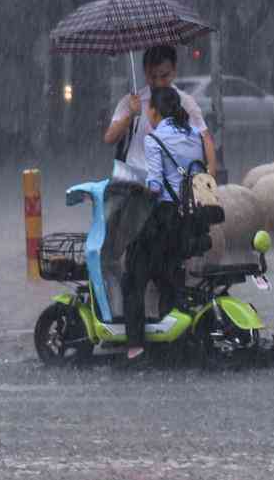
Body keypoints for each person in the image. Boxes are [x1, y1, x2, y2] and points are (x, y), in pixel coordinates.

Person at [122, 86, 208, 363]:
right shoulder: (194, 137)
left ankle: (135, 346)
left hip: (163, 221)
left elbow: (156, 187)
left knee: (133, 279)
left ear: (154, 111)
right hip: (189, 222)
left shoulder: (154, 140)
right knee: (168, 278)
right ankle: (172, 343)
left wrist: (137, 188)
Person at [104, 44, 217, 177]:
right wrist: (131, 114)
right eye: (152, 76)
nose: (158, 83)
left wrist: (211, 174)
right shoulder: (131, 101)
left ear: (174, 71)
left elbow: (205, 138)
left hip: (172, 181)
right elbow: (109, 139)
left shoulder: (185, 102)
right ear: (145, 72)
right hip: (135, 177)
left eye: (164, 76)